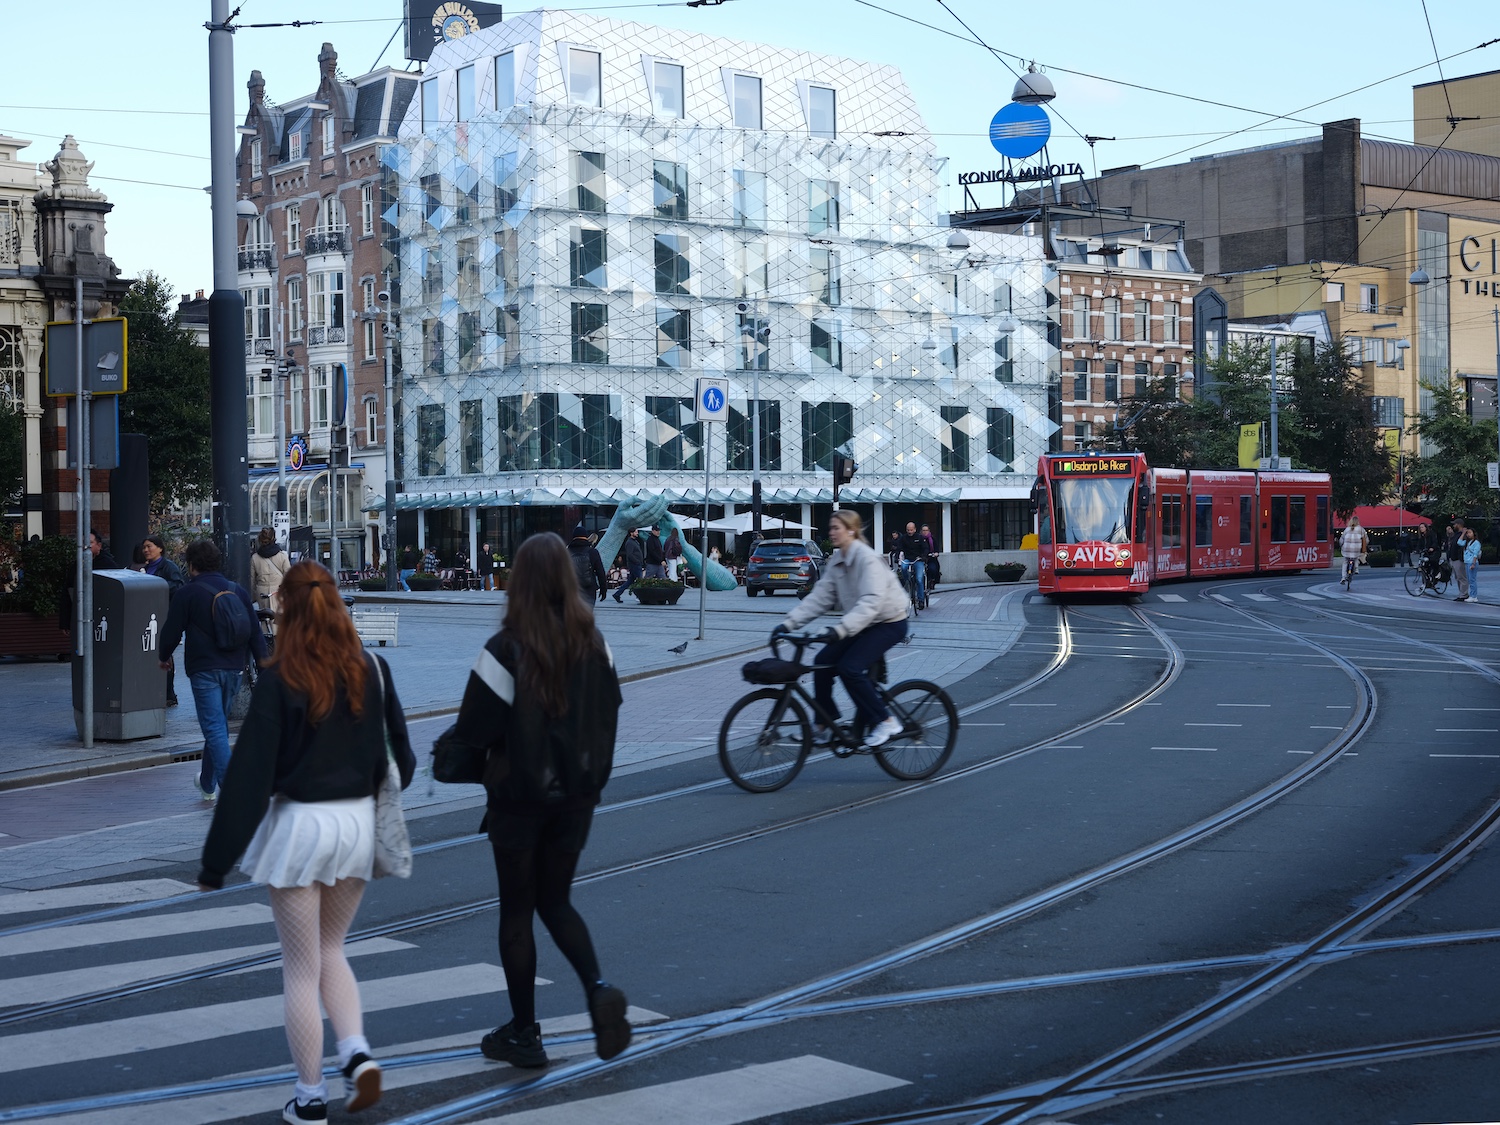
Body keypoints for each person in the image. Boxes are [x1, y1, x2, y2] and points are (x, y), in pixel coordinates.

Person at [198, 561, 415, 1124]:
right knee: (332, 950)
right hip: (357, 827)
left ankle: (310, 1096)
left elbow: (247, 781)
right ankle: (357, 1052)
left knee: (299, 967)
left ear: (287, 611)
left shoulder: (280, 679)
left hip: (299, 828)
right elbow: (404, 763)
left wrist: (215, 863)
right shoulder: (373, 669)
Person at [449, 532, 631, 1068]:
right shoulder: (596, 642)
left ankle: (524, 1032)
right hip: (578, 797)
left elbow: (473, 729)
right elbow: (609, 714)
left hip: (518, 799)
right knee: (557, 900)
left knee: (517, 912)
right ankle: (597, 987)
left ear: (521, 582)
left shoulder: (505, 648)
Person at [776, 510, 910, 749]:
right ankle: (824, 725)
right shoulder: (837, 561)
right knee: (822, 663)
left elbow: (871, 602)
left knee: (851, 668)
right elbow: (820, 597)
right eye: (831, 528)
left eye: (836, 528)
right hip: (862, 623)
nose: (831, 532)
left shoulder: (867, 559)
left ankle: (886, 720)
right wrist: (789, 623)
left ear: (851, 530)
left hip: (889, 621)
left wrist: (840, 630)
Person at [158, 539, 267, 801]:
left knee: (215, 727)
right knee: (216, 725)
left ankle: (232, 792)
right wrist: (264, 663)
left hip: (204, 668)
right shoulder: (236, 590)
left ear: (191, 565)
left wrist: (163, 656)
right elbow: (254, 630)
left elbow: (171, 630)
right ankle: (207, 784)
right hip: (234, 668)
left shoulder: (187, 593)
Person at [142, 535, 187, 707]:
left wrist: (157, 585)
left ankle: (169, 693)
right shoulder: (144, 569)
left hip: (165, 615)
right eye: (144, 547)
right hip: (148, 616)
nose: (146, 550)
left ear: (160, 548)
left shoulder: (168, 567)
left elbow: (177, 586)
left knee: (165, 653)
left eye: (149, 546)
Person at [252, 527, 291, 615]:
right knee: (279, 619)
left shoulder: (255, 558)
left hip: (262, 593)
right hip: (278, 591)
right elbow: (289, 577)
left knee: (264, 619)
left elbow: (252, 580)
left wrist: (254, 596)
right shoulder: (282, 556)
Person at [568, 524, 608, 603]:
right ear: (586, 537)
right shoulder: (593, 552)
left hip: (571, 591)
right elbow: (600, 573)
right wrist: (603, 590)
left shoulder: (566, 552)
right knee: (587, 614)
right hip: (589, 591)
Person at [897, 522, 930, 607]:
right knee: (903, 568)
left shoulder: (920, 538)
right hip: (908, 559)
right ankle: (907, 581)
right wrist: (897, 557)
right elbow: (899, 548)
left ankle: (921, 600)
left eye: (911, 530)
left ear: (915, 529)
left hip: (918, 559)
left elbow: (926, 548)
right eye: (908, 530)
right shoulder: (903, 538)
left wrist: (923, 556)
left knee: (919, 579)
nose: (910, 531)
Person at [613, 527, 644, 603]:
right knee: (640, 581)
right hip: (634, 565)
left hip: (636, 564)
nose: (637, 533)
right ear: (631, 533)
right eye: (636, 532)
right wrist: (637, 561)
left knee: (630, 581)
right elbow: (630, 555)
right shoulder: (630, 542)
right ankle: (641, 596)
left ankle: (617, 594)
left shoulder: (634, 541)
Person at [1339, 516, 1367, 587]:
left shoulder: (1347, 529)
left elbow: (1341, 540)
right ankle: (1356, 569)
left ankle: (1343, 577)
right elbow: (1366, 540)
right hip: (1356, 549)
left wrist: (1341, 545)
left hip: (1346, 549)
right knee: (1356, 557)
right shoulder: (1361, 529)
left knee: (1345, 562)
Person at [1448, 521, 1469, 600]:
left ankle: (1464, 594)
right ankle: (1461, 593)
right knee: (1458, 577)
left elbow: (1460, 544)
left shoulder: (1463, 534)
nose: (1453, 525)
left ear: (1459, 524)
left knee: (1462, 577)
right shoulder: (1456, 534)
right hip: (1454, 558)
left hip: (1459, 558)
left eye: (1455, 524)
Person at [1463, 527, 1481, 602]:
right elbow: (1459, 542)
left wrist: (1473, 563)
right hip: (1467, 561)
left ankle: (1474, 596)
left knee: (1472, 579)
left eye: (1470, 533)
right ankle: (1472, 595)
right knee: (1469, 579)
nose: (1468, 534)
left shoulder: (1476, 543)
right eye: (1467, 533)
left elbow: (1475, 554)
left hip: (1472, 562)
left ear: (1474, 533)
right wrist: (1463, 533)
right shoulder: (1469, 542)